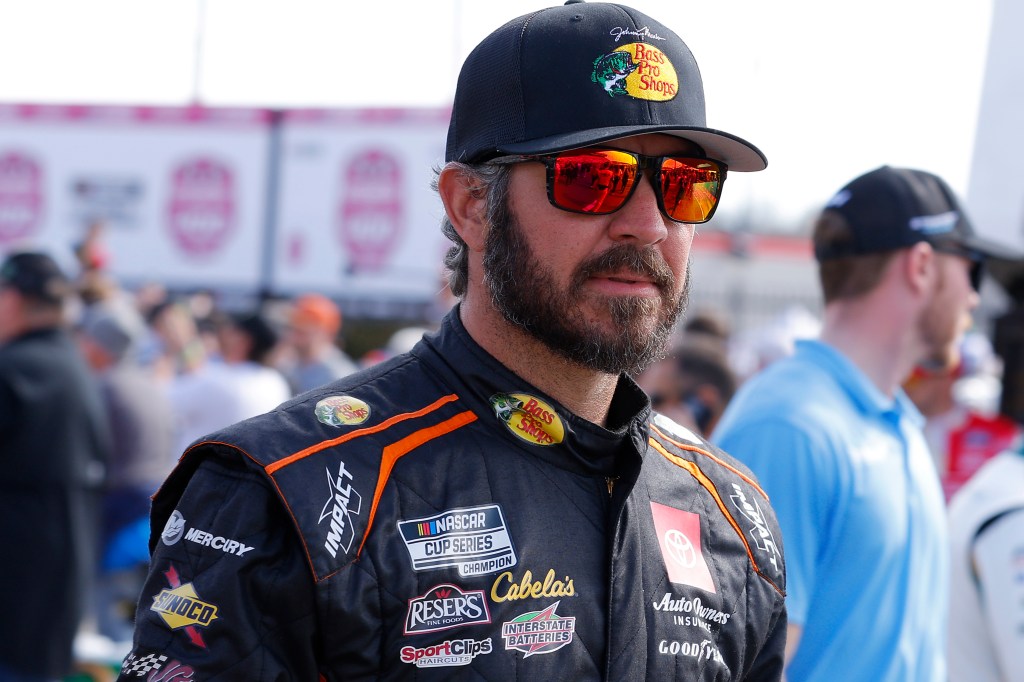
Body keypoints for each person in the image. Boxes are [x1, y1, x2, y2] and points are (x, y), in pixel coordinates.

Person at [119, 3, 786, 679]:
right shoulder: (289, 492)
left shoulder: (732, 513)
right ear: (470, 204)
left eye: (686, 186)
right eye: (593, 178)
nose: (647, 224)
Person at [712, 165, 1013, 681]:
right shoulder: (791, 428)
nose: (975, 297)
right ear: (922, 265)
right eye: (973, 268)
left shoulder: (891, 424)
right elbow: (747, 664)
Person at [0, 251, 110, 681]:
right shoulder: (73, 368)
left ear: (11, 300)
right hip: (55, 596)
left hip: (14, 601)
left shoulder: (14, 369)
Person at [76, 301, 177, 642]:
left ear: (97, 345)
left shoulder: (106, 387)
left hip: (122, 512)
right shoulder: (148, 384)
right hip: (157, 509)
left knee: (111, 628)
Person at [280, 293, 358, 395]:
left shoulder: (339, 373)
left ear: (324, 331)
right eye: (293, 327)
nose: (294, 333)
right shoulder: (290, 365)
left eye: (302, 328)